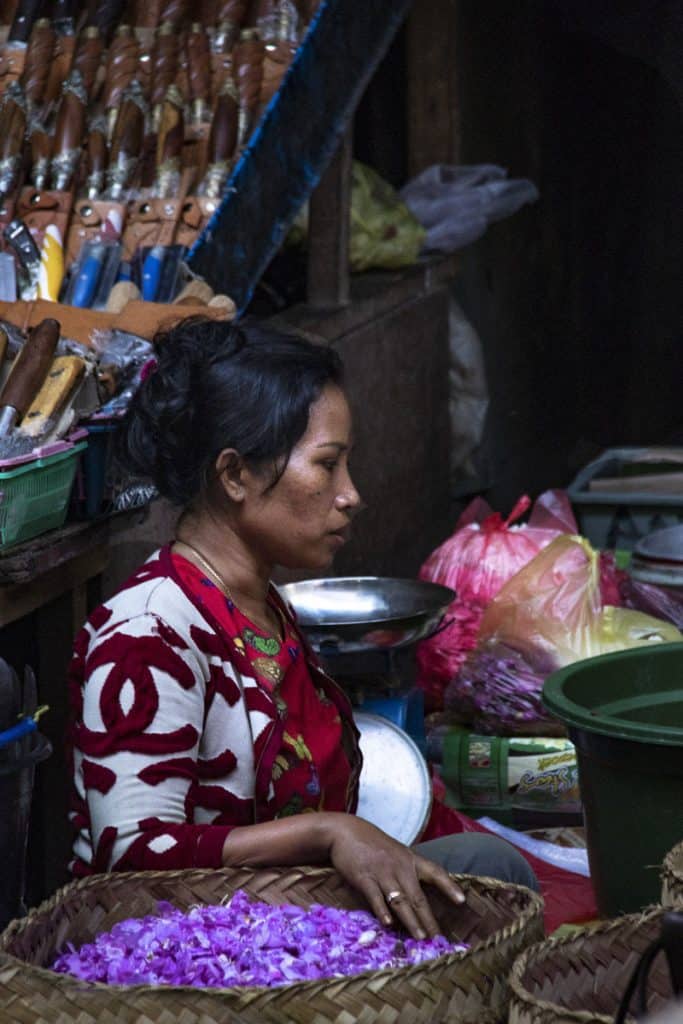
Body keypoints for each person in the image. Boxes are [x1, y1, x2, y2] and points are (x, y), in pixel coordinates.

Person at [67, 316, 536, 942]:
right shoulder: (148, 633)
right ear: (235, 475)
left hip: (281, 909)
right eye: (327, 466)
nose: (351, 496)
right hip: (190, 947)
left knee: (488, 871)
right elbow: (132, 858)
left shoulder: (258, 604)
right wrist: (328, 831)